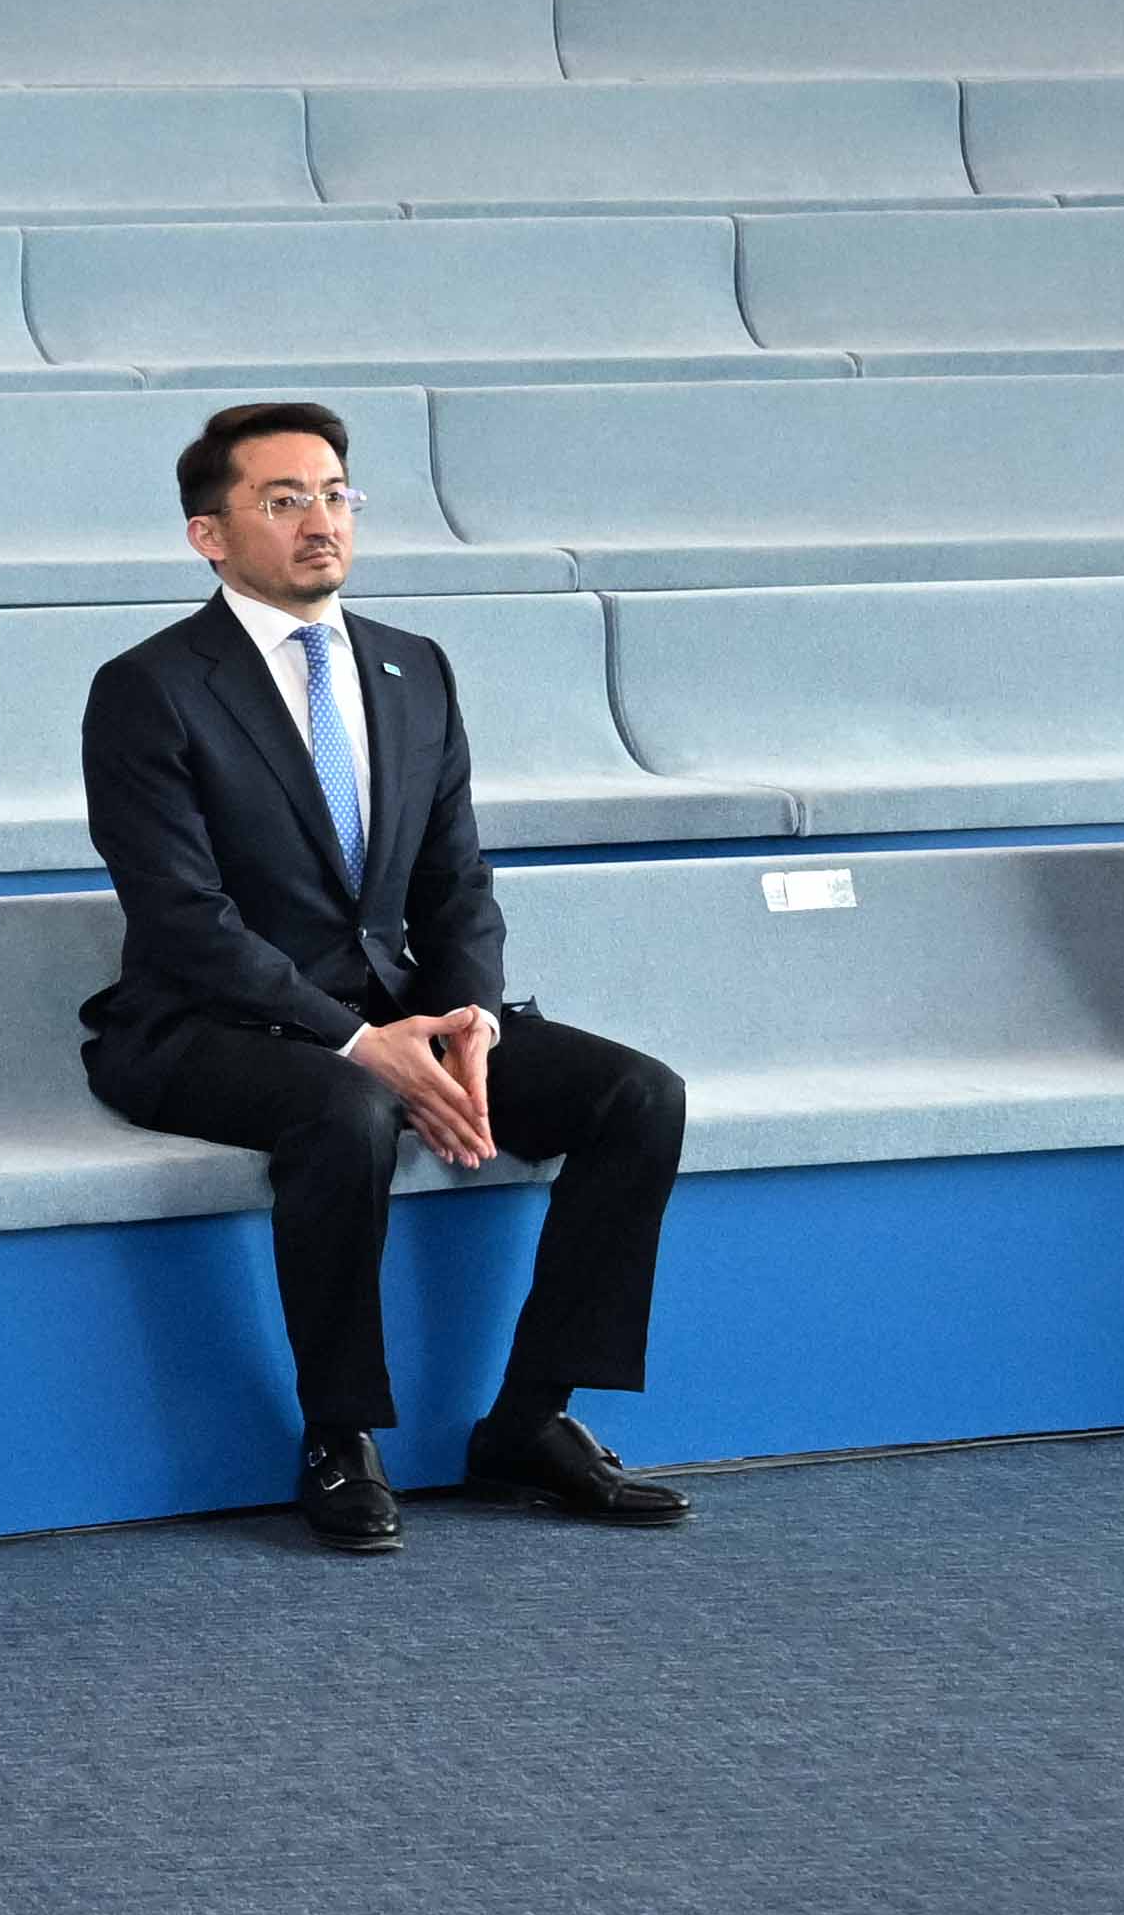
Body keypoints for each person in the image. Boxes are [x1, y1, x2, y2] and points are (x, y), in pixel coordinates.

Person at [74, 402, 697, 1556]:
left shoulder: (414, 668)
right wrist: (362, 1044)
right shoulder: (148, 687)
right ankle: (339, 1433)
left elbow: (457, 878)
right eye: (283, 500)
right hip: (203, 1024)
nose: (321, 521)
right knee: (348, 1108)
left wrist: (467, 1022)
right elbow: (183, 919)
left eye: (336, 494)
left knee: (638, 1095)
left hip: (392, 1010)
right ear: (209, 535)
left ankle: (530, 1418)